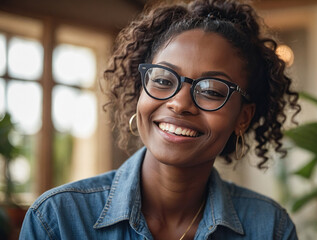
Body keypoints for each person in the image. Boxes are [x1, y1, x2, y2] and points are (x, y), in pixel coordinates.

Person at [20, 0, 300, 239]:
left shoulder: (270, 228)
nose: (179, 103)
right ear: (141, 89)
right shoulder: (57, 220)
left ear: (243, 117)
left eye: (212, 90)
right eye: (164, 80)